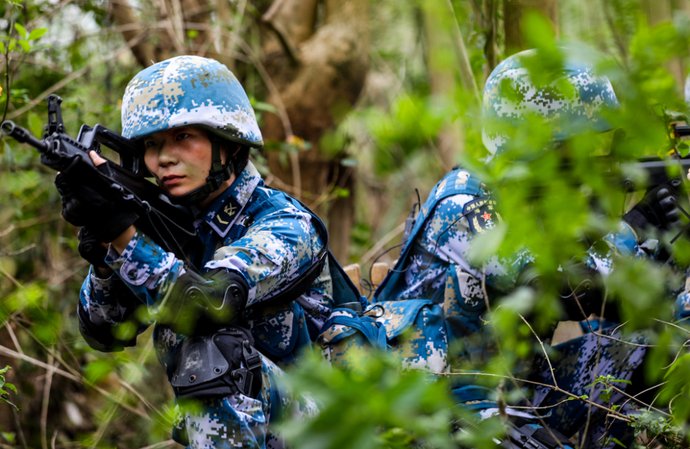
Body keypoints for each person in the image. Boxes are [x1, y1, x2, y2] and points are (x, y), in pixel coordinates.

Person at [370, 47, 681, 448]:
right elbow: (566, 287)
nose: (593, 155)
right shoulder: (465, 204)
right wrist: (634, 226)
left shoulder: (539, 205)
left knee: (664, 353)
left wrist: (667, 244)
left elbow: (626, 304)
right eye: (580, 143)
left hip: (512, 394)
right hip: (433, 408)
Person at [55, 55, 362, 449]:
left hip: (333, 422)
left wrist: (125, 238)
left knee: (214, 351)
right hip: (246, 427)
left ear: (228, 144)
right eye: (151, 144)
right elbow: (104, 331)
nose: (163, 158)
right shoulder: (172, 225)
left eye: (183, 137)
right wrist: (105, 260)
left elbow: (206, 302)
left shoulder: (285, 223)